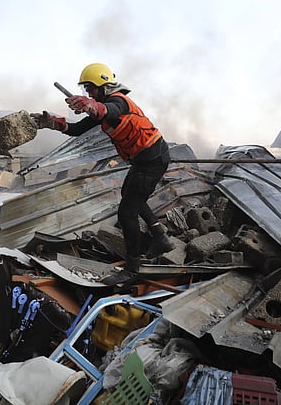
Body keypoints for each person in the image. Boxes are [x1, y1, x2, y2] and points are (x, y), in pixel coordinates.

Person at [31, 63, 174, 272]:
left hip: (153, 158)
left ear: (102, 85)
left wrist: (90, 105)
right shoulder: (102, 109)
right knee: (131, 195)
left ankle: (133, 266)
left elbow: (109, 110)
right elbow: (78, 129)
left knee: (127, 213)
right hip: (145, 160)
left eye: (90, 89)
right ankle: (160, 237)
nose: (88, 93)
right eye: (86, 90)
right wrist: (54, 123)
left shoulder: (119, 101)